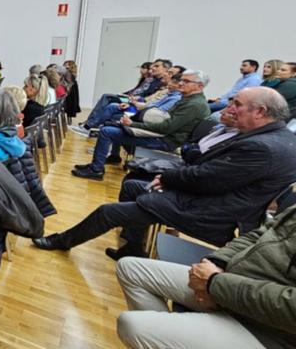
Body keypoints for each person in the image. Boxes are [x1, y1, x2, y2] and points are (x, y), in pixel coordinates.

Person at [34, 87, 296, 259]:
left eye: (237, 104)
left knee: (107, 212)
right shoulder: (277, 138)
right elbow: (207, 167)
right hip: (212, 200)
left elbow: (206, 178)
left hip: (211, 213)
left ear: (260, 112)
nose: (229, 107)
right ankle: (134, 246)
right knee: (133, 186)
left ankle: (62, 241)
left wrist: (168, 178)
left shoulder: (261, 147)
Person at [115, 205, 296, 349]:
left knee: (131, 325)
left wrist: (214, 284)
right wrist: (216, 263)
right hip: (228, 283)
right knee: (129, 268)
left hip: (266, 331)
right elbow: (259, 234)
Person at [71, 70, 211, 180]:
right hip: (163, 135)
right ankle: (103, 161)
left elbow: (166, 127)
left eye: (186, 81)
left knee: (107, 131)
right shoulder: (188, 100)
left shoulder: (194, 105)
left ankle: (96, 170)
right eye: (181, 80)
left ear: (200, 86)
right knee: (114, 123)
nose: (180, 83)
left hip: (166, 140)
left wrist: (134, 125)